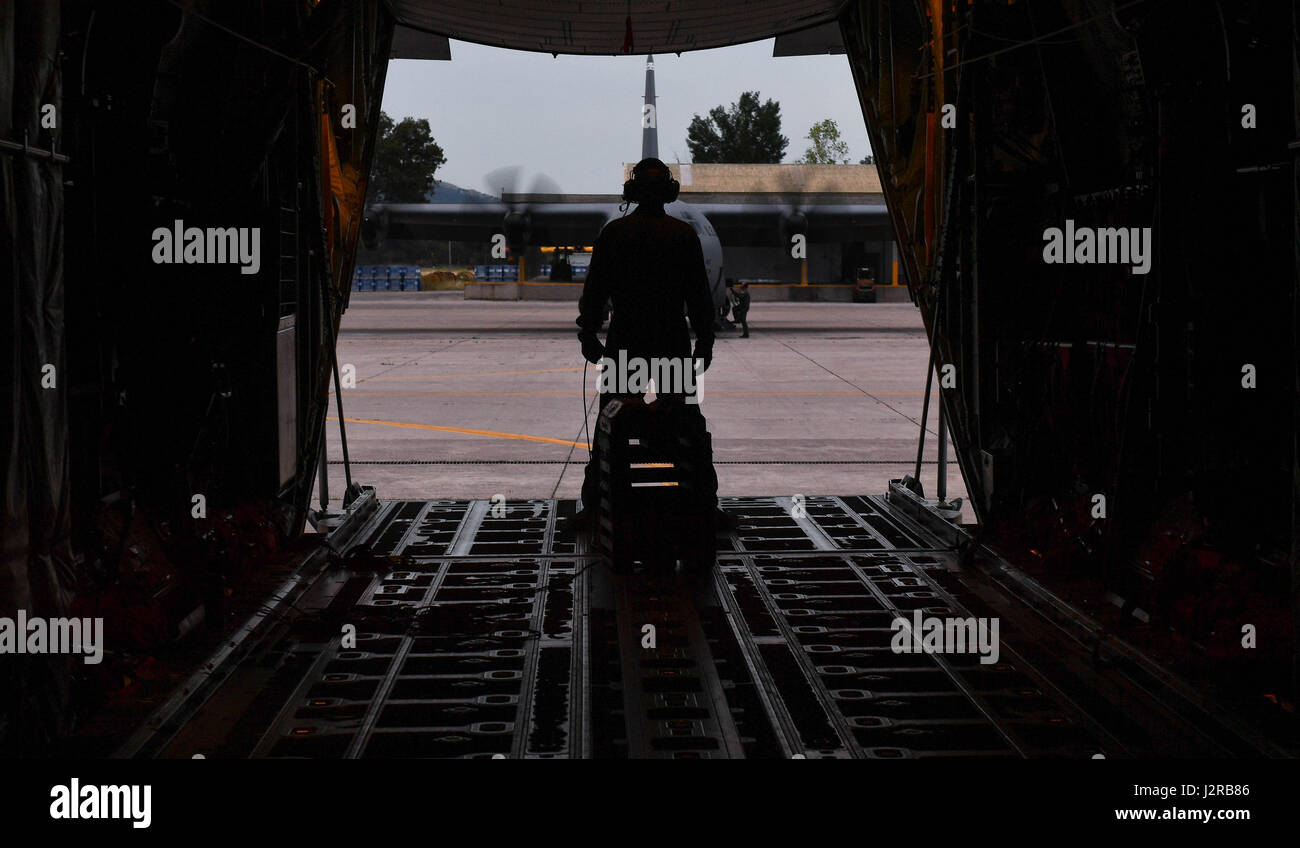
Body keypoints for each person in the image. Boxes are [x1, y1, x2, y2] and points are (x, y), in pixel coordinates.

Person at [571, 157, 734, 531]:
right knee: (689, 425)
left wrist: (587, 333)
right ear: (669, 193)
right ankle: (703, 506)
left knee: (609, 424)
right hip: (671, 340)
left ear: (631, 193)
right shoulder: (683, 235)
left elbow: (595, 292)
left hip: (625, 340)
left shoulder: (614, 234)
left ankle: (595, 507)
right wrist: (705, 341)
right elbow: (699, 296)